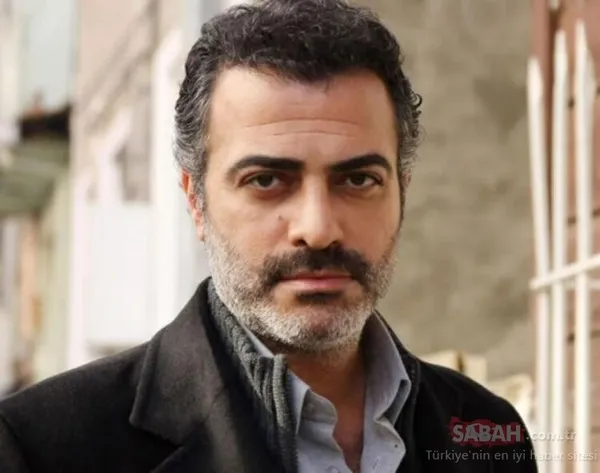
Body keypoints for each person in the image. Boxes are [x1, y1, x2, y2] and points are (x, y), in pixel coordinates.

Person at [0, 1, 538, 472]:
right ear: (195, 199)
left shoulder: (488, 433)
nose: (318, 229)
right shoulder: (44, 446)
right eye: (266, 181)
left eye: (358, 180)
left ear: (403, 190)